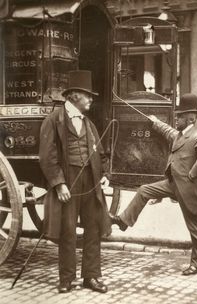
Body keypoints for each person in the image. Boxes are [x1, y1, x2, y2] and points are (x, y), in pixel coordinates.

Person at [110, 93, 197, 276]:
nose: (176, 119)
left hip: (188, 190)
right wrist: (154, 121)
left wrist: (193, 173)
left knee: (195, 227)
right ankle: (123, 221)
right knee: (144, 190)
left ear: (191, 118)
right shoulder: (181, 134)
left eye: (180, 116)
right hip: (173, 185)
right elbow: (168, 131)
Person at [39, 70, 111, 293]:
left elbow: (100, 153)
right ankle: (66, 278)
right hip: (68, 180)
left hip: (90, 181)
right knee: (67, 229)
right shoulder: (53, 120)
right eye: (87, 95)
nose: (91, 99)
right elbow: (47, 156)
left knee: (93, 227)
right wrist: (59, 183)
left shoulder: (88, 124)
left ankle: (92, 276)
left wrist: (104, 174)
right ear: (74, 96)